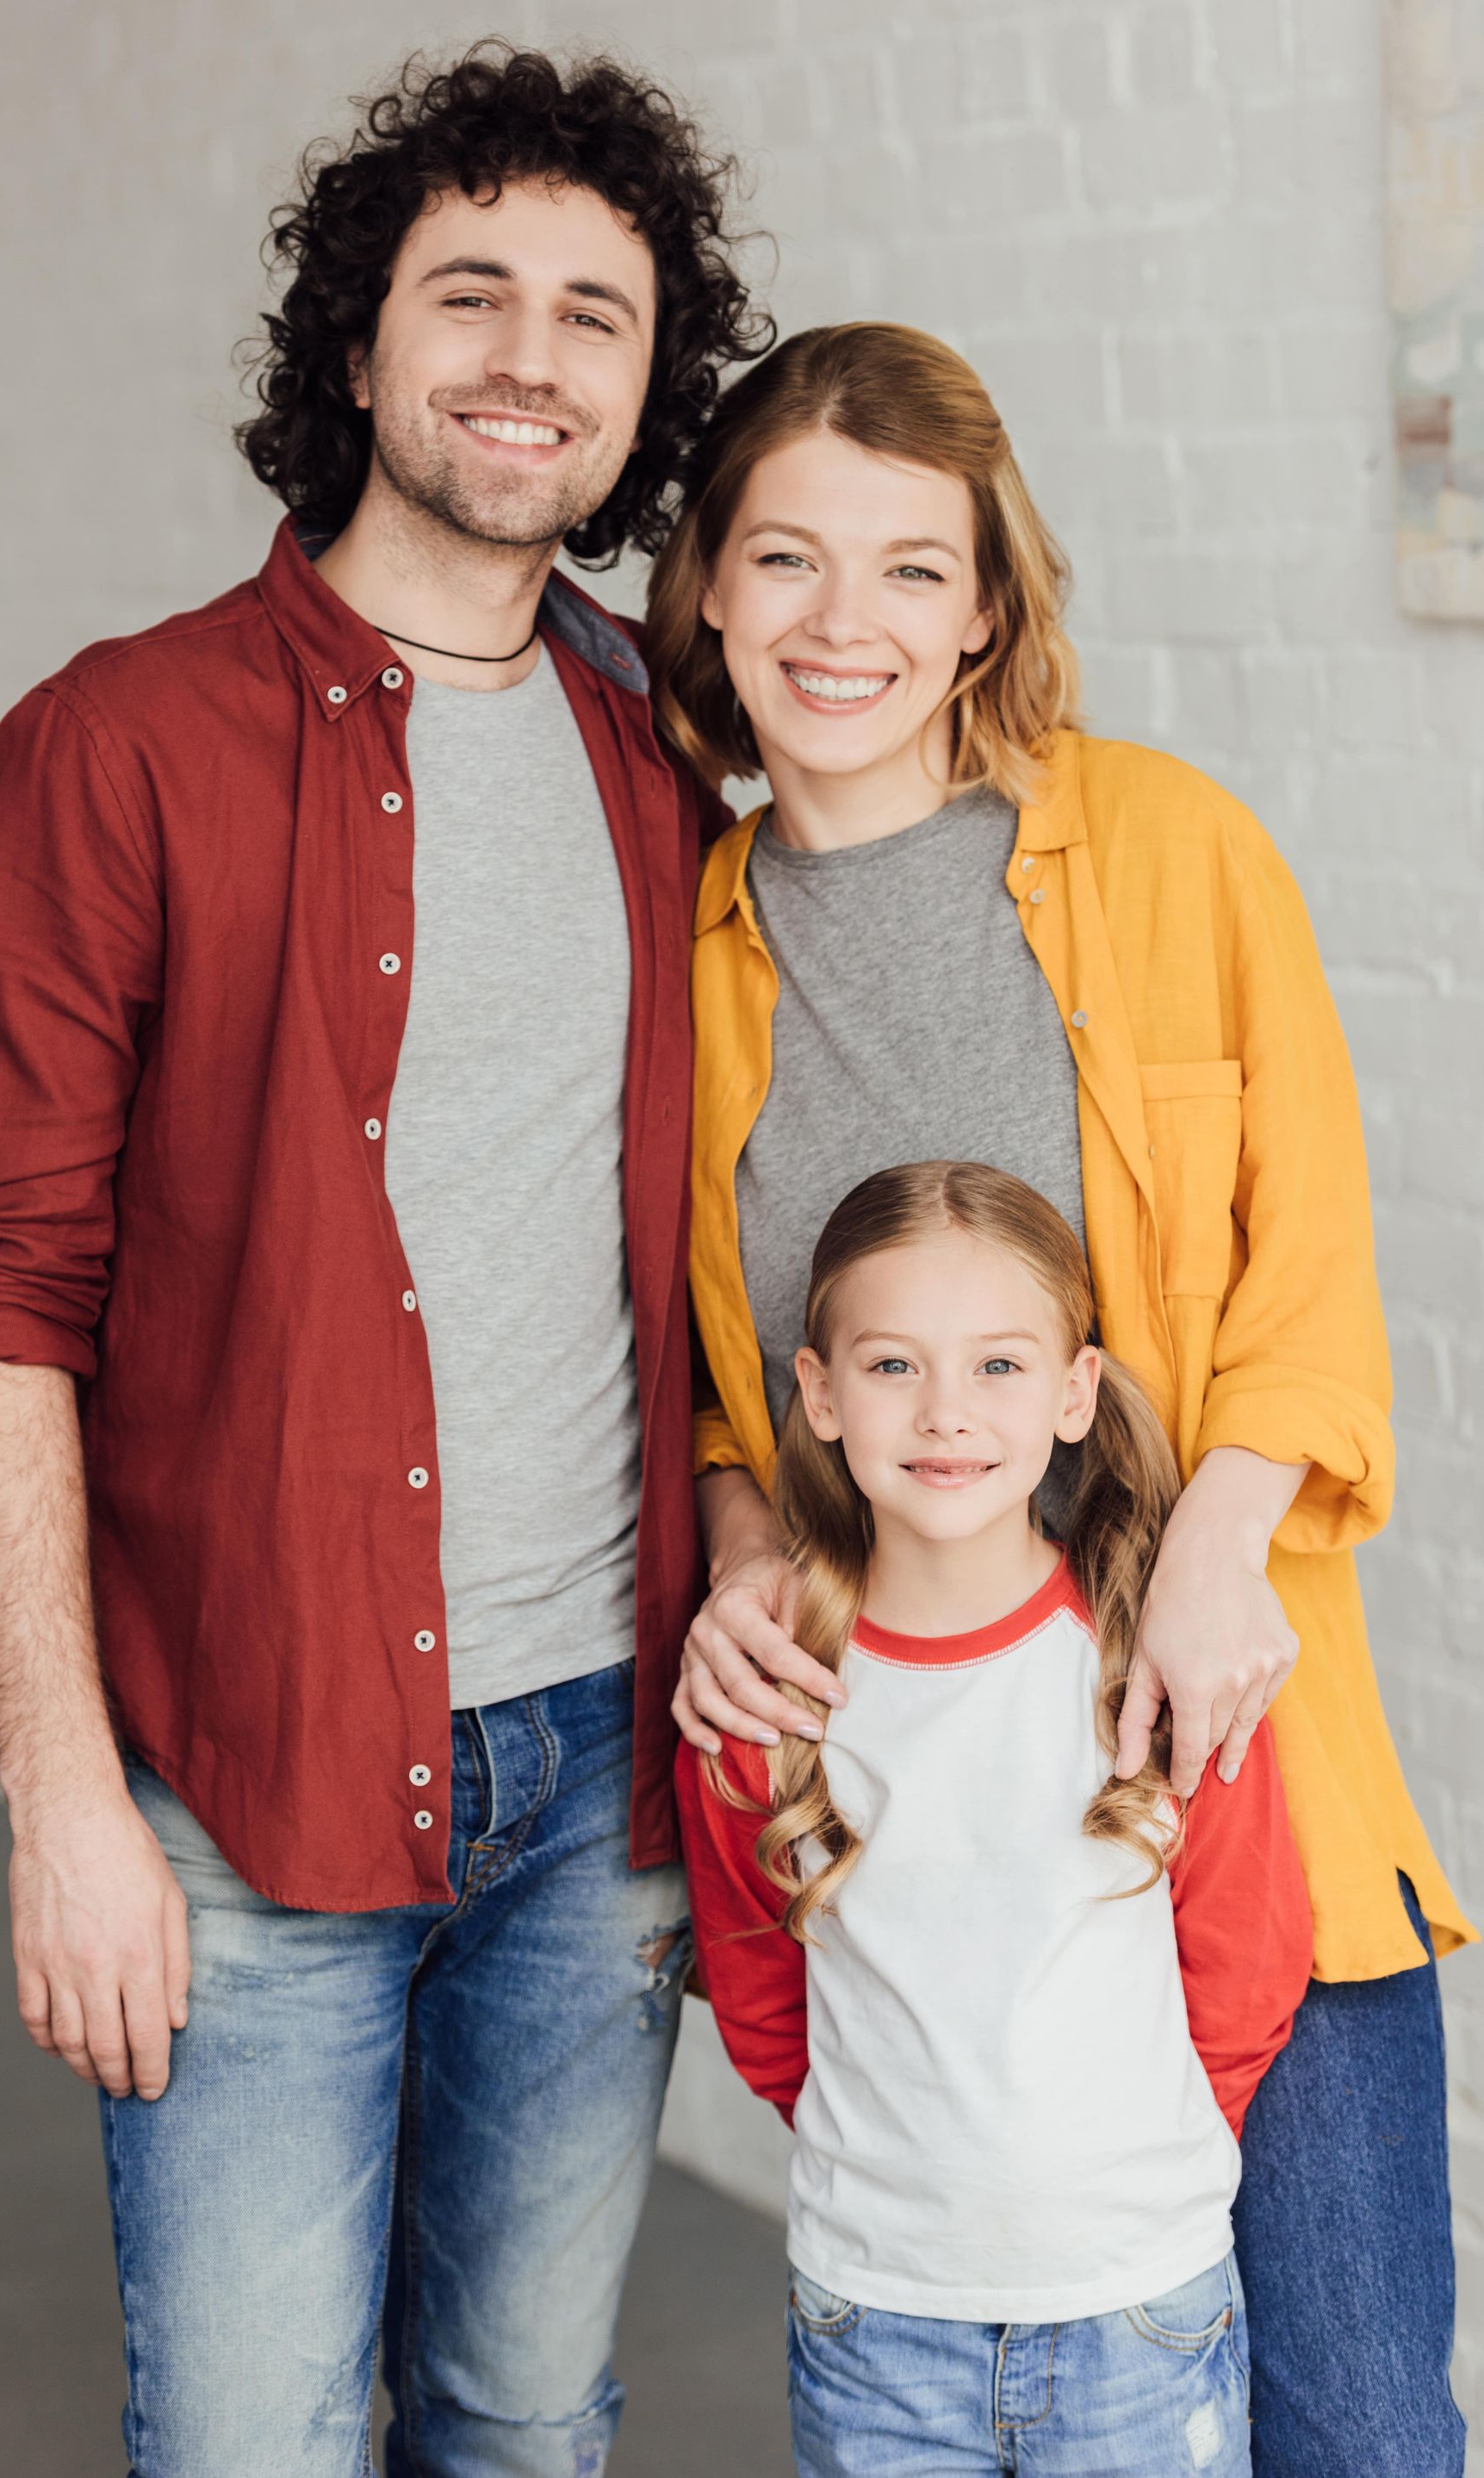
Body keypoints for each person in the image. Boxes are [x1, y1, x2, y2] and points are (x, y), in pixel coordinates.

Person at [0, 45, 763, 2478]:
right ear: (360, 351)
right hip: (238, 1757)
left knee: (521, 2408)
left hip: (602, 1759)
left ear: (643, 385)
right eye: (470, 290)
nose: (531, 352)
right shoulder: (121, 741)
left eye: (596, 313)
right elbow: (3, 1292)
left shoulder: (665, 752)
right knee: (259, 2436)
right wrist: (61, 1791)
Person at [648, 322, 1472, 2475]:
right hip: (926, 1837)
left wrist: (1210, 1557)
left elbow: (1310, 1278)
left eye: (914, 570)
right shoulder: (698, 947)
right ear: (710, 588)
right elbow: (735, 1383)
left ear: (990, 600)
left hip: (1223, 1774)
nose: (850, 626)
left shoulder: (1171, 847)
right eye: (791, 560)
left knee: (1362, 2422)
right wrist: (741, 1534)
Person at [678, 1159, 1315, 2476]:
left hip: (1138, 2308)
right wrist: (911, 2169)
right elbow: (756, 1982)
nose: (947, 1413)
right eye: (896, 1366)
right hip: (876, 2320)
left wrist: (1123, 2172)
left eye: (1001, 1368)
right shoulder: (768, 1692)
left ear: (1076, 1391)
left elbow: (1246, 1962)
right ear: (818, 1392)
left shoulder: (1148, 1660)